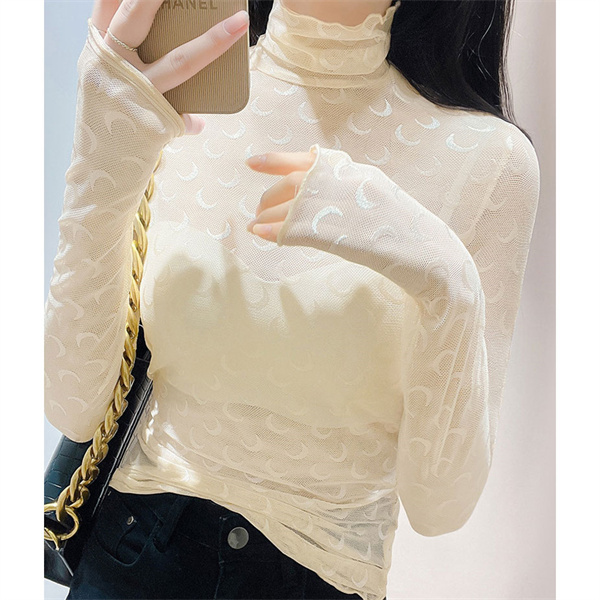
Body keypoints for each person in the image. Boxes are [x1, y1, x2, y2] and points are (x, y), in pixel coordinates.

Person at [44, 0, 540, 599]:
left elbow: (441, 506)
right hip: (132, 554)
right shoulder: (178, 94)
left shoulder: (492, 163)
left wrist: (445, 276)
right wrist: (102, 149)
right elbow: (72, 405)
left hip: (321, 576)